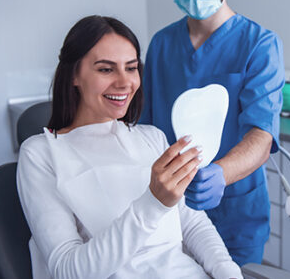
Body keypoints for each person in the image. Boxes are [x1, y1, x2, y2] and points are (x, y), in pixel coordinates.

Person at [17, 15, 243, 279]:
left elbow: (193, 225)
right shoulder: (40, 154)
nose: (124, 82)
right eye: (105, 69)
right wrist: (154, 203)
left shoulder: (152, 138)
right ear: (73, 75)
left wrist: (229, 273)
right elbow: (67, 271)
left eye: (131, 67)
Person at [140, 0, 285, 266]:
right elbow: (145, 130)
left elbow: (261, 136)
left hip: (235, 214)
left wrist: (221, 173)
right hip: (170, 214)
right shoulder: (161, 44)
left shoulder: (259, 45)